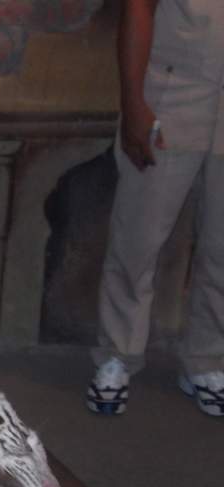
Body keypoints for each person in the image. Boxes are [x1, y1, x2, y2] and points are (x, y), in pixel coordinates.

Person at [87, 0, 224, 417]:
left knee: (222, 249)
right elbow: (139, 8)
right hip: (173, 93)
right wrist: (133, 104)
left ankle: (206, 361)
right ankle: (116, 357)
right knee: (138, 240)